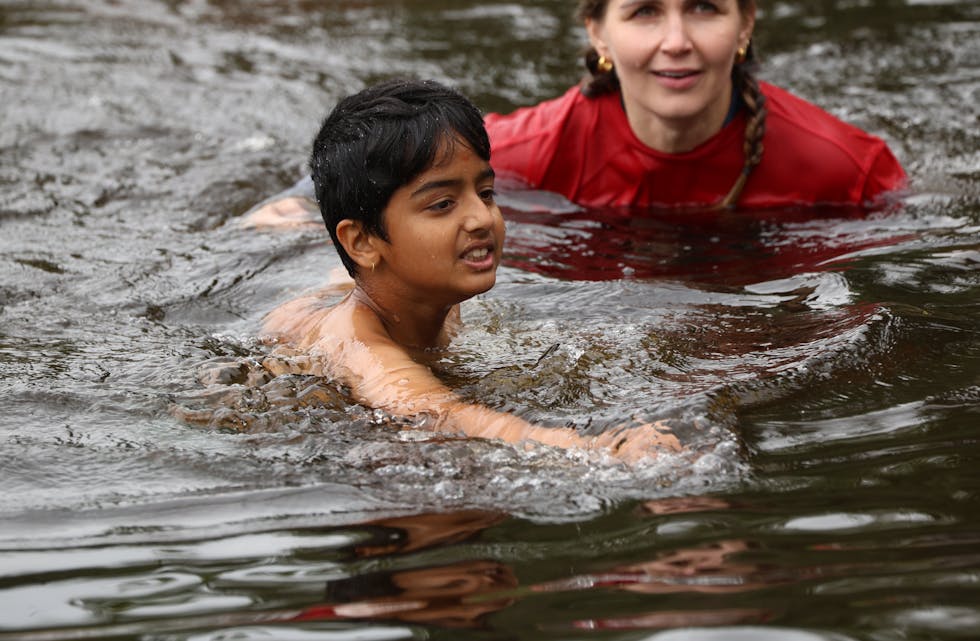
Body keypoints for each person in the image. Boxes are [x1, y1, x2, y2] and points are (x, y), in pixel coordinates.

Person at [259, 78, 680, 462]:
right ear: (362, 241)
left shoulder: (432, 294)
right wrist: (599, 448)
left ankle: (294, 220)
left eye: (486, 192)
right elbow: (439, 416)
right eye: (442, 204)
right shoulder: (360, 350)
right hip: (299, 316)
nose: (482, 218)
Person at [242, 0, 905, 225]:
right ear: (598, 34)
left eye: (704, 6)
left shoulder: (845, 167)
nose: (677, 40)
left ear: (744, 25)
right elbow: (376, 164)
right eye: (644, 11)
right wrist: (300, 207)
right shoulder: (537, 148)